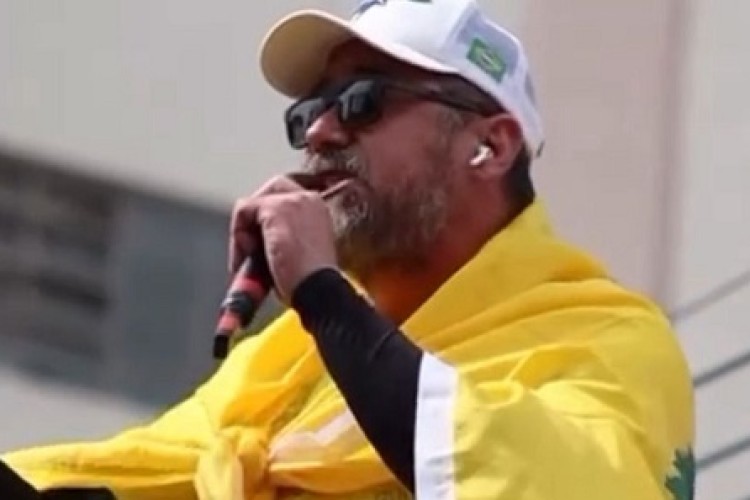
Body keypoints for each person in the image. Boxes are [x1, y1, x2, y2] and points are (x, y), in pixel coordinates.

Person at [3, 0, 695, 499]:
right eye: (307, 113)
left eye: (363, 101)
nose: (320, 134)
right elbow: (119, 477)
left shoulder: (610, 341)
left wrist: (324, 299)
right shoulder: (285, 361)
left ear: (489, 145)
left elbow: (547, 481)